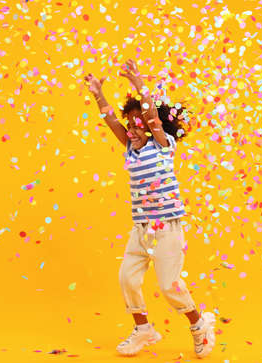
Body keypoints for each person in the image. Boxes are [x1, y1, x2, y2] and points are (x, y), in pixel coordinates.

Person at [84, 59, 216, 358]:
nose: (132, 126)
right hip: (141, 229)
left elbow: (152, 118)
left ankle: (200, 325)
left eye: (137, 121)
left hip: (167, 228)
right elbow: (110, 120)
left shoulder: (163, 144)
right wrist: (98, 94)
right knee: (127, 278)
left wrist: (139, 85)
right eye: (129, 122)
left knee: (170, 286)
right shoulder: (131, 147)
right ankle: (144, 330)